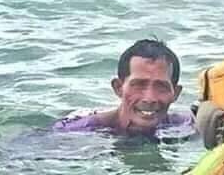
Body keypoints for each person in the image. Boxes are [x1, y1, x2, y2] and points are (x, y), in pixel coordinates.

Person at [53, 39, 196, 141]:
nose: (149, 98)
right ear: (118, 88)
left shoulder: (184, 124)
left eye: (161, 87)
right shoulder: (78, 131)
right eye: (139, 85)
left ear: (175, 93)